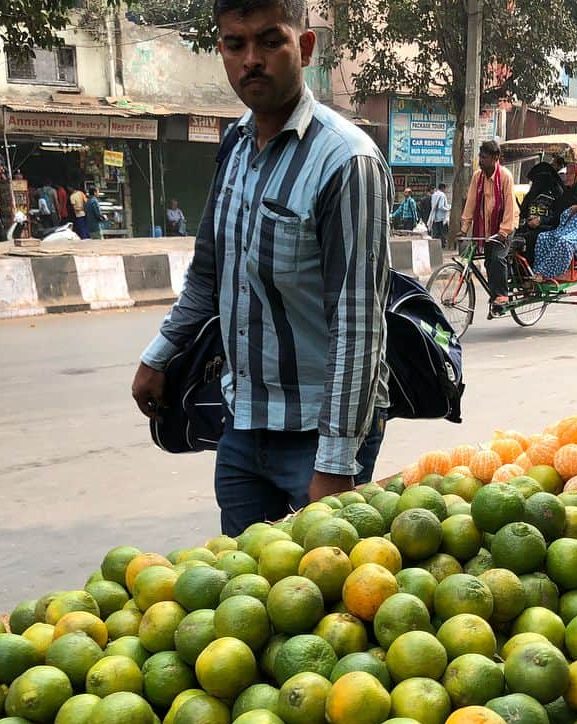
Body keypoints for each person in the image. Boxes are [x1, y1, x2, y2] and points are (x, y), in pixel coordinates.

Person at [132, 0, 391, 536]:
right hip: (243, 424)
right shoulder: (234, 144)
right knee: (244, 597)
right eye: (235, 44)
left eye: (270, 41)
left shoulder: (347, 161)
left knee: (322, 603)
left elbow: (359, 323)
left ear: (306, 47)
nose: (252, 59)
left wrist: (335, 466)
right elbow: (210, 274)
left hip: (320, 435)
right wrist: (159, 355)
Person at [460, 139, 518, 312]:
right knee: (487, 262)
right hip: (487, 227)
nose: (481, 160)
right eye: (480, 156)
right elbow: (470, 203)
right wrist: (463, 228)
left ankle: (502, 295)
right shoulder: (477, 177)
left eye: (484, 157)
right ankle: (495, 298)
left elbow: (510, 206)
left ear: (495, 158)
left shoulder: (505, 176)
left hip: (506, 226)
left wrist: (504, 231)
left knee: (497, 258)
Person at [530, 163, 577, 281]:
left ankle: (548, 273)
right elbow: (557, 213)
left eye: (570, 174)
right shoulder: (567, 193)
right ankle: (538, 272)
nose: (567, 176)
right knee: (543, 238)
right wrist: (541, 220)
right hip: (565, 227)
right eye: (567, 173)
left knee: (564, 242)